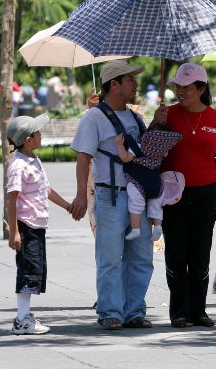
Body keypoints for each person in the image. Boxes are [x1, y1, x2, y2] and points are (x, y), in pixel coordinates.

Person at [69, 60, 167, 330]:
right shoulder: (94, 117)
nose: (136, 84)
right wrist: (80, 196)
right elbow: (83, 158)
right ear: (114, 84)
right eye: (130, 80)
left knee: (142, 257)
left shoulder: (135, 118)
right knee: (110, 258)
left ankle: (134, 311)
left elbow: (144, 153)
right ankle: (111, 312)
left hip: (139, 197)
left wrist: (156, 125)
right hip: (110, 196)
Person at [161, 62, 216, 328]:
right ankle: (179, 312)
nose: (180, 92)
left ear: (201, 88)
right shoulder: (167, 114)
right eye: (178, 87)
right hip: (173, 194)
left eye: (187, 87)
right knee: (176, 254)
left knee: (200, 254)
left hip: (206, 193)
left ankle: (199, 311)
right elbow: (150, 151)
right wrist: (156, 124)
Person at [5, 113, 73, 335]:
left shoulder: (33, 160)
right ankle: (21, 319)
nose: (41, 135)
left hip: (37, 226)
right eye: (38, 133)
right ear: (28, 140)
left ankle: (25, 316)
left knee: (35, 271)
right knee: (27, 272)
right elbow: (12, 198)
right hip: (26, 226)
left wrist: (67, 206)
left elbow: (46, 190)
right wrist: (14, 232)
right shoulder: (18, 165)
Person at [114, 124, 182, 241]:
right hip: (156, 183)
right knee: (156, 205)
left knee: (136, 204)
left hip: (139, 182)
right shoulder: (162, 151)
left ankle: (135, 229)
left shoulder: (139, 146)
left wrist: (120, 145)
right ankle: (158, 226)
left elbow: (125, 158)